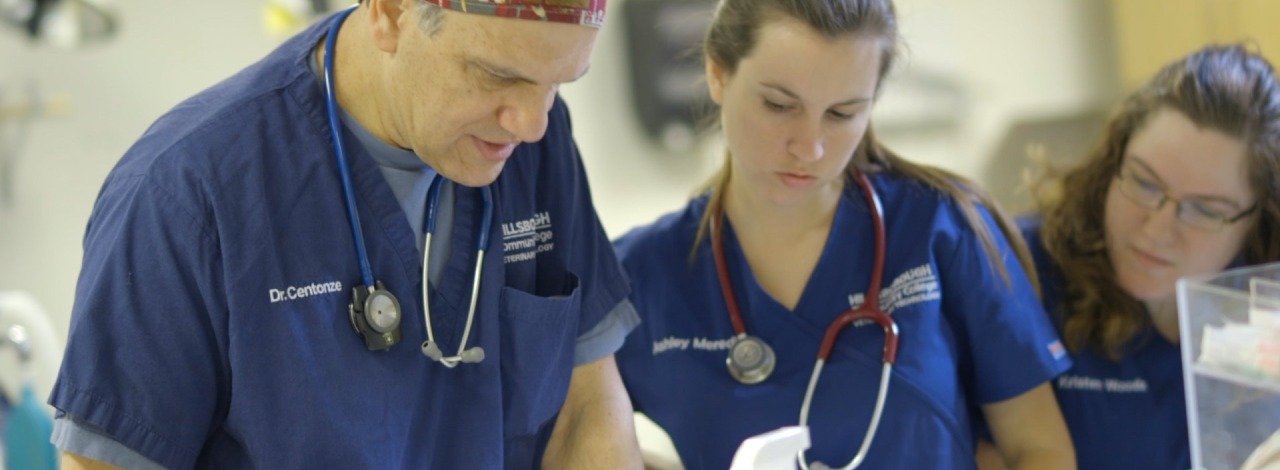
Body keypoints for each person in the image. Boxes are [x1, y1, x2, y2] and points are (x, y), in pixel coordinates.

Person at [49, 0, 644, 468]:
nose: (533, 123)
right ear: (390, 12)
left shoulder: (532, 142)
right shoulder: (188, 195)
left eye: (559, 83)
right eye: (496, 74)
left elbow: (587, 409)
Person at [611, 0, 1076, 468]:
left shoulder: (940, 226)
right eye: (778, 104)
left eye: (842, 114)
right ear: (717, 73)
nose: (809, 147)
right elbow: (571, 440)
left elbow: (1038, 448)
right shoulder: (637, 278)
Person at [993, 44, 1280, 470]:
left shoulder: (1263, 303)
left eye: (1205, 210)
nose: (1158, 229)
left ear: (1259, 219)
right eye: (1145, 183)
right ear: (1114, 162)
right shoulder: (1017, 270)